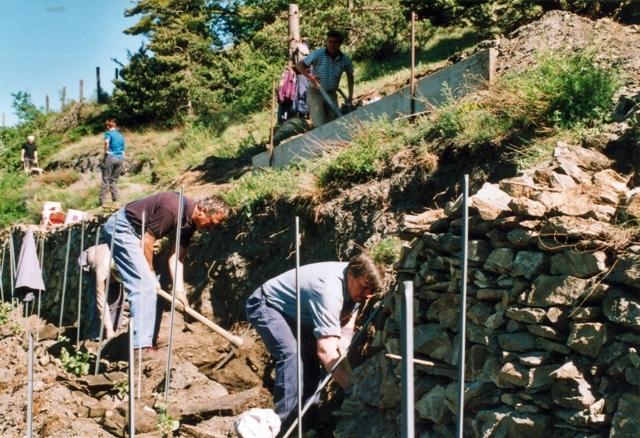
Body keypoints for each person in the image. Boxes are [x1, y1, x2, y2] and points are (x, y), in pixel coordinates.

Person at [245, 254, 384, 426]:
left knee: (310, 359)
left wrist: (345, 337)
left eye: (372, 290)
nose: (368, 295)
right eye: (364, 288)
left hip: (301, 314)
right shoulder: (328, 291)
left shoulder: (356, 282)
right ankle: (284, 424)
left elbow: (350, 313)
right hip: (268, 305)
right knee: (292, 354)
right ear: (350, 274)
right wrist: (352, 388)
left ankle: (308, 421)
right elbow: (325, 352)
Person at [102, 192, 229, 350]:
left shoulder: (189, 224)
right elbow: (147, 241)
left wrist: (179, 291)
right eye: (213, 223)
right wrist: (151, 274)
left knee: (158, 286)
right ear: (203, 210)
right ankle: (141, 347)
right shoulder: (172, 208)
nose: (211, 229)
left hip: (139, 234)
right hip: (122, 228)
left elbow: (176, 257)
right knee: (144, 285)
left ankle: (149, 340)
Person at [295, 30, 354, 128]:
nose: (332, 45)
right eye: (330, 41)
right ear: (327, 41)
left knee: (334, 123)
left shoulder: (344, 60)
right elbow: (299, 65)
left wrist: (350, 96)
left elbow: (350, 76)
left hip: (331, 94)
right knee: (320, 125)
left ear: (340, 44)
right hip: (316, 93)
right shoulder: (318, 54)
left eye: (335, 42)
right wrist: (310, 77)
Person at [78, 244, 125, 340]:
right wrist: (109, 329)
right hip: (87, 261)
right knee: (95, 300)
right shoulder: (102, 271)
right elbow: (101, 300)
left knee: (117, 296)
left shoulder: (125, 261)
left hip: (105, 260)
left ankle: (114, 332)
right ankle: (94, 335)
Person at [100, 119, 126, 207]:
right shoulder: (121, 135)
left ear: (108, 126)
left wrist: (106, 152)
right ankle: (116, 200)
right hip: (120, 158)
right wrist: (124, 161)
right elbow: (123, 150)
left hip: (111, 157)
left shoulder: (108, 133)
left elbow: (106, 142)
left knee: (105, 179)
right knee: (114, 180)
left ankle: (102, 202)